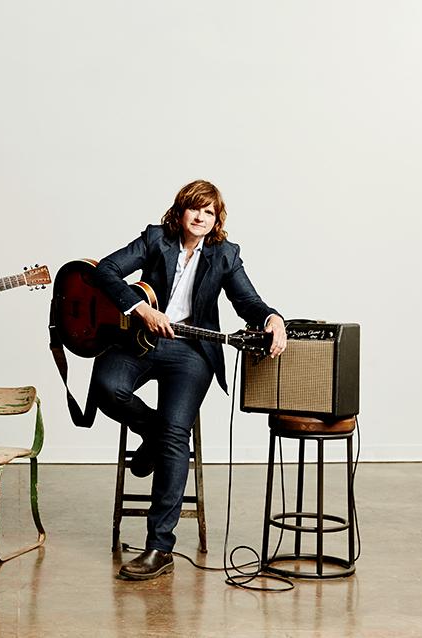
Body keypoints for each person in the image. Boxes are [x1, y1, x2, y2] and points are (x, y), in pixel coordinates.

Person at [90, 179, 286, 580]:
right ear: (180, 212)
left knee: (176, 432)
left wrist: (272, 318)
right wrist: (140, 308)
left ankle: (159, 548)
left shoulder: (225, 254)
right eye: (194, 208)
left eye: (209, 212)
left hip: (191, 353)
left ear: (216, 220)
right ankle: (154, 434)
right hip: (140, 339)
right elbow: (104, 271)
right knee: (107, 387)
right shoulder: (154, 239)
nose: (200, 217)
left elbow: (247, 301)